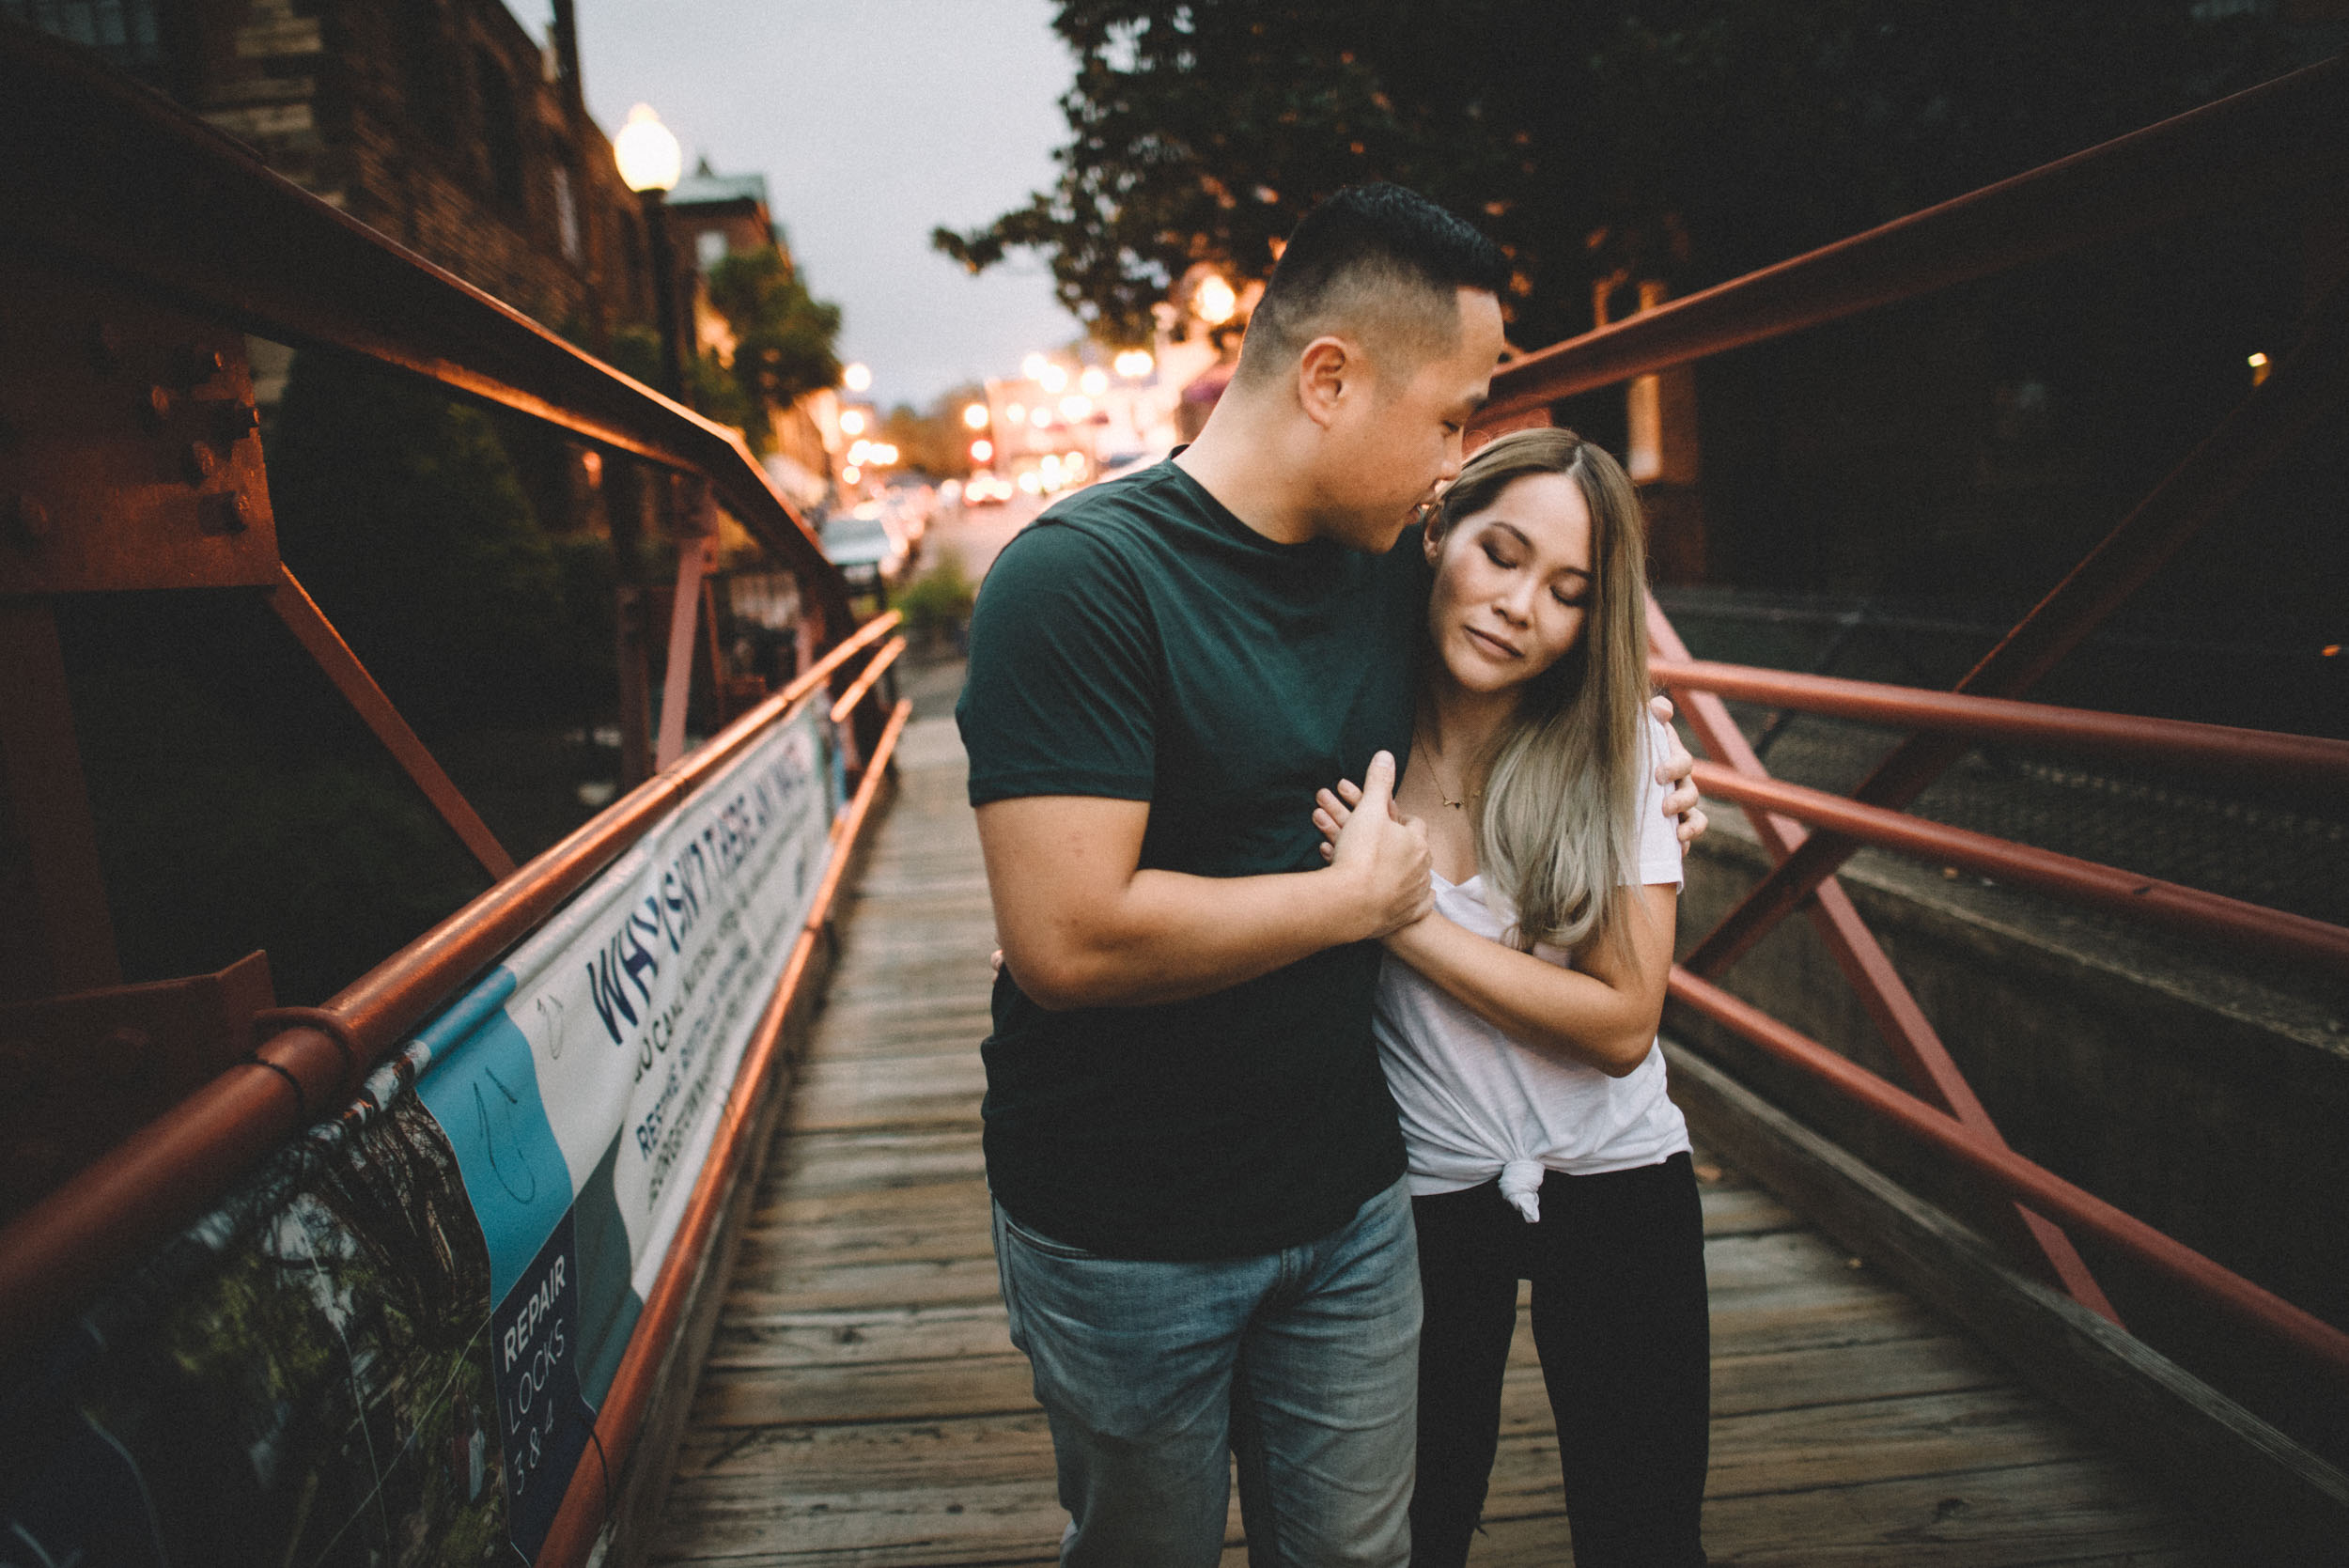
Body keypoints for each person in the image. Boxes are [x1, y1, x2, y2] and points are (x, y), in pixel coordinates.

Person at [956, 184, 1701, 1568]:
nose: (1455, 459)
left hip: (1357, 1207)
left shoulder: (1388, 578)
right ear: (1331, 377)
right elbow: (1067, 940)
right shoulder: (1078, 582)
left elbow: (1536, 677)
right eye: (1450, 416)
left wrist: (1647, 773)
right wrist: (1363, 908)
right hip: (1128, 1224)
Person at [1312, 427, 1710, 1568]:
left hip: (1621, 1179)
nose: (1518, 604)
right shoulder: (1345, 737)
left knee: (1642, 1533)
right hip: (1422, 1199)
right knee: (1417, 1526)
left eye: (1569, 591)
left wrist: (1405, 916)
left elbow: (1624, 1023)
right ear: (1436, 532)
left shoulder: (1620, 750)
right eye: (1500, 552)